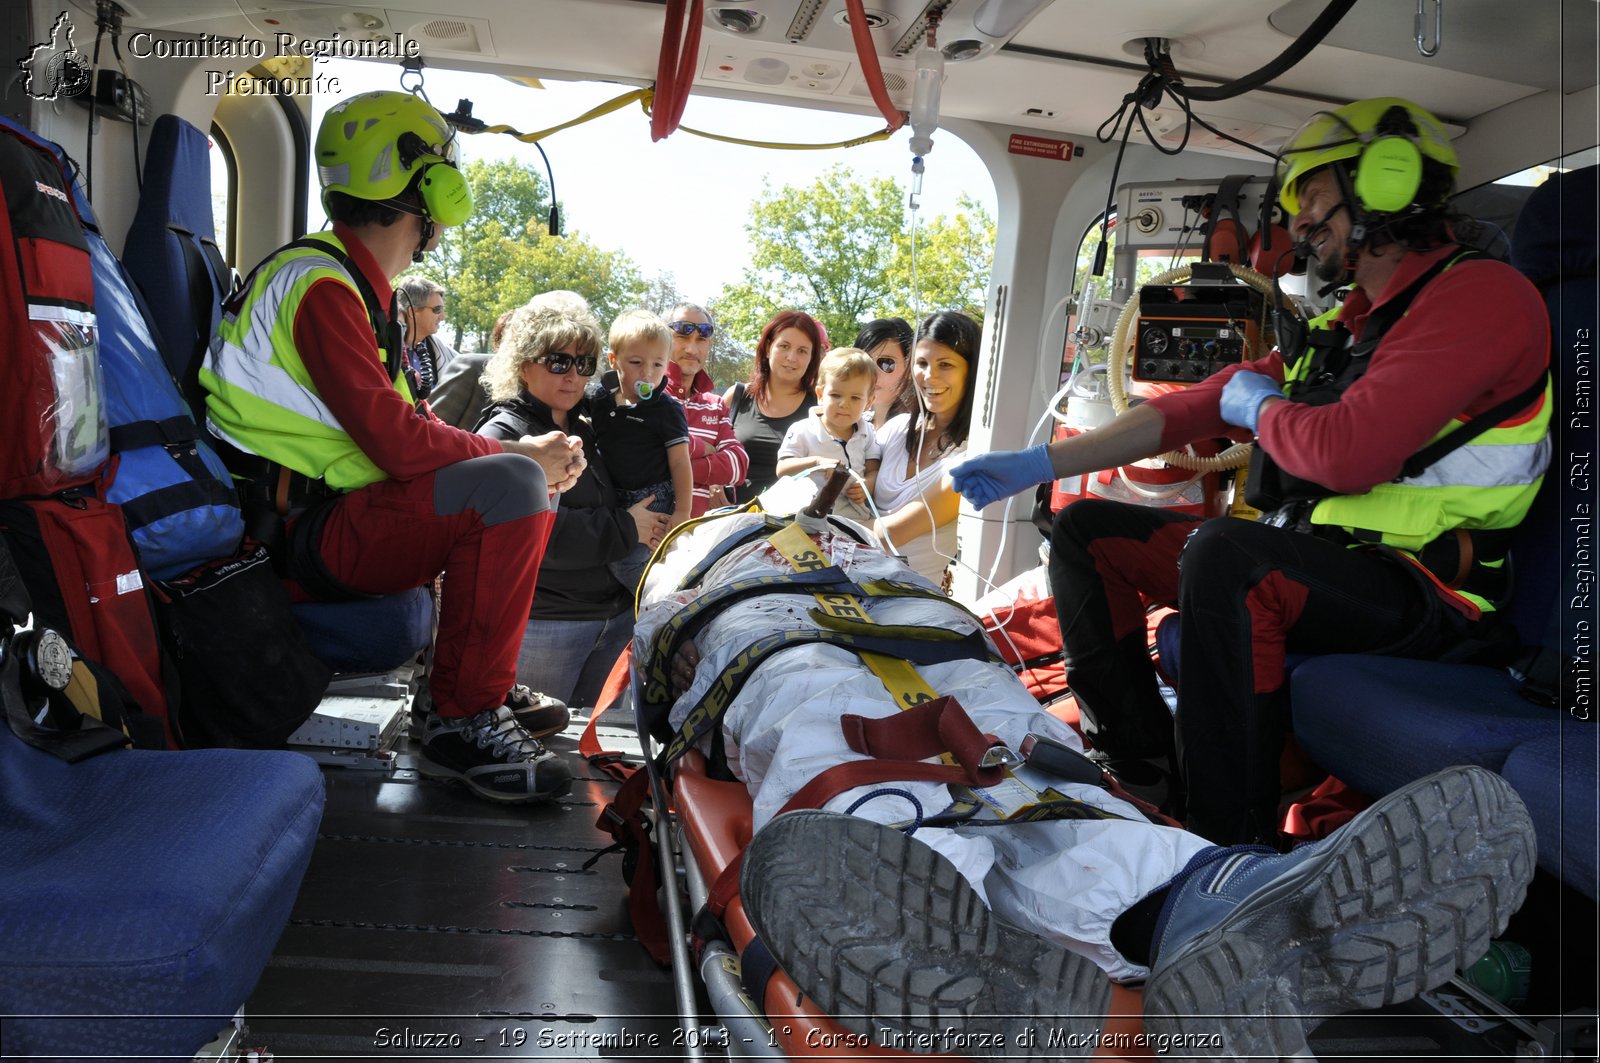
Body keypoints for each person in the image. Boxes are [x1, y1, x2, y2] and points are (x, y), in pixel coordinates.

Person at [636, 505, 1535, 1061]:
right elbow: (663, 665)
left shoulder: (866, 550)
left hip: (909, 619)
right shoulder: (697, 565)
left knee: (1025, 755)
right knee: (826, 711)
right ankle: (984, 908)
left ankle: (1206, 901)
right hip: (764, 625)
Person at [951, 97, 1551, 845]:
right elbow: (1193, 409)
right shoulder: (1347, 325)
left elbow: (1348, 452)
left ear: (1386, 183)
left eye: (1312, 198)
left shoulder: (1482, 297)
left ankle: (1226, 841)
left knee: (1227, 555)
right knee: (1085, 530)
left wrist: (1264, 411)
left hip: (1428, 591)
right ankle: (1141, 772)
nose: (1297, 223)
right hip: (1332, 564)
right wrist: (1040, 461)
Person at [200, 90, 585, 804]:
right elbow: (401, 444)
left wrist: (527, 456)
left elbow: (416, 436)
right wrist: (522, 460)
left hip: (331, 515)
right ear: (428, 189)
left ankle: (464, 682)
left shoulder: (354, 287)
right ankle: (460, 719)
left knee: (523, 477)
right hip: (296, 534)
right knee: (513, 484)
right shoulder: (321, 287)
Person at [477, 304, 670, 709]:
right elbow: (529, 537)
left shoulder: (590, 423)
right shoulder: (506, 434)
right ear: (523, 363)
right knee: (535, 741)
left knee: (598, 754)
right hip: (546, 625)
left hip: (614, 619)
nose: (574, 375)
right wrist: (627, 527)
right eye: (559, 361)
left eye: (583, 363)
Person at [869, 311, 980, 588]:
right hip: (850, 579)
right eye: (922, 363)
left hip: (909, 600)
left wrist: (822, 521)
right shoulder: (897, 428)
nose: (930, 376)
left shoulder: (970, 460)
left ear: (971, 371)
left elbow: (888, 535)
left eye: (945, 364)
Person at [587, 309, 694, 591]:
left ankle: (663, 603)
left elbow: (681, 463)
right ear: (614, 360)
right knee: (608, 554)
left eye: (658, 365)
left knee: (627, 562)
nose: (647, 373)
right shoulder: (600, 400)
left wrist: (683, 511)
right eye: (636, 362)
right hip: (613, 496)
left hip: (653, 495)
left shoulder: (666, 409)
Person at [431, 291, 591, 431]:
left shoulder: (576, 415)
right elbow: (427, 432)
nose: (573, 374)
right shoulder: (473, 367)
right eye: (558, 362)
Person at [722, 310, 823, 503]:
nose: (792, 357)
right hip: (729, 518)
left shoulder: (818, 408)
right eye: (784, 346)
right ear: (768, 348)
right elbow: (708, 453)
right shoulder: (737, 396)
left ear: (812, 357)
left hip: (791, 525)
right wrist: (714, 488)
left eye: (802, 351)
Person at [774, 346, 881, 523]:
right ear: (820, 394)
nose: (844, 404)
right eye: (836, 395)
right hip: (808, 521)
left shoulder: (867, 432)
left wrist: (867, 485)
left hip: (855, 522)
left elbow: (874, 469)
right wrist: (817, 462)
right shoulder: (802, 430)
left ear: (869, 402)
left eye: (855, 398)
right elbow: (782, 469)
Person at [662, 303, 748, 516]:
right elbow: (642, 452)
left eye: (701, 340)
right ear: (662, 339)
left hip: (697, 540)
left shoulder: (715, 404)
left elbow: (739, 465)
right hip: (645, 540)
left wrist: (673, 463)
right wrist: (705, 450)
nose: (692, 349)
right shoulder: (646, 394)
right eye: (681, 337)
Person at [395, 275, 455, 404]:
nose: (443, 317)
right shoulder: (387, 350)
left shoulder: (442, 351)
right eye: (437, 310)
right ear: (412, 311)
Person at [854, 316, 916, 429]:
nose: (872, 372)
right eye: (864, 362)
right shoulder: (847, 422)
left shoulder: (920, 430)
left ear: (909, 367)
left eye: (886, 363)